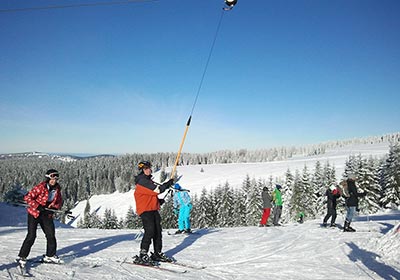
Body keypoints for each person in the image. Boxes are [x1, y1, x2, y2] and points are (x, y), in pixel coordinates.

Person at [17, 169, 64, 268]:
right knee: (31, 236)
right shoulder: (40, 187)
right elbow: (28, 198)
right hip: (35, 213)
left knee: (50, 235)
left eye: (56, 178)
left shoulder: (57, 189)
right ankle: (22, 256)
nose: (54, 180)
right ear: (47, 178)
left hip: (46, 214)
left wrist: (54, 207)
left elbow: (58, 201)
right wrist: (37, 206)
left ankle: (50, 255)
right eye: (52, 178)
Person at [133, 161, 175, 264]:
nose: (149, 170)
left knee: (157, 232)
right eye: (146, 168)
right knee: (150, 231)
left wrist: (158, 201)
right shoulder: (142, 181)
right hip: (145, 211)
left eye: (149, 168)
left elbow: (150, 195)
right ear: (142, 170)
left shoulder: (148, 181)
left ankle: (157, 253)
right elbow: (157, 190)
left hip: (152, 209)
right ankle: (143, 254)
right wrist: (167, 183)